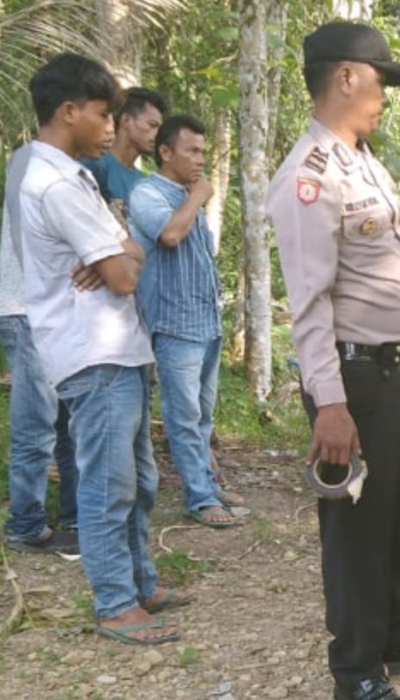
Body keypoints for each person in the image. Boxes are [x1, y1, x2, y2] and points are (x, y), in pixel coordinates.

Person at [268, 22, 400, 700]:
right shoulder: (308, 176)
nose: (385, 92)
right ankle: (356, 667)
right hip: (352, 376)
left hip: (399, 364)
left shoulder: (364, 161)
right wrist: (328, 402)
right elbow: (309, 301)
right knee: (358, 526)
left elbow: (391, 265)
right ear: (347, 76)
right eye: (381, 78)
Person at [18, 53, 187, 646]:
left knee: (139, 480)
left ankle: (140, 583)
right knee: (107, 483)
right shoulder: (54, 184)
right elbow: (123, 275)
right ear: (69, 112)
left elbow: (126, 253)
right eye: (101, 113)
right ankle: (115, 602)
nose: (111, 126)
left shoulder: (75, 175)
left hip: (118, 348)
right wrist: (117, 258)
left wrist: (119, 254)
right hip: (93, 354)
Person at [128, 114, 242, 528]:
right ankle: (199, 498)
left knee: (203, 415)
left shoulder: (187, 192)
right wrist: (197, 198)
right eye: (191, 151)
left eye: (203, 152)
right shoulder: (148, 194)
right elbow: (169, 235)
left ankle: (208, 483)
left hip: (205, 321)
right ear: (165, 152)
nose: (199, 160)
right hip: (174, 324)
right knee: (183, 415)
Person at [0, 142, 78, 554]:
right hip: (26, 311)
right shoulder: (32, 164)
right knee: (36, 422)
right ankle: (25, 523)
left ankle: (74, 512)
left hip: (50, 315)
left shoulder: (54, 170)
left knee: (65, 422)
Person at [80, 87, 168, 205]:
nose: (158, 134)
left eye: (159, 128)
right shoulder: (96, 165)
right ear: (126, 120)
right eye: (152, 125)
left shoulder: (141, 181)